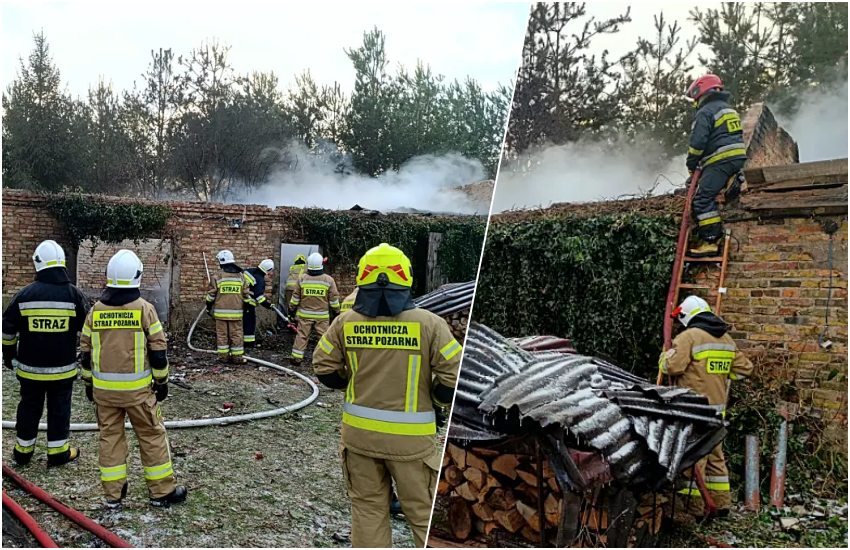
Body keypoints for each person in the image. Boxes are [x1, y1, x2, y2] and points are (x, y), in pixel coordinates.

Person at [312, 243, 461, 547]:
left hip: (359, 439)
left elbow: (323, 367)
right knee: (423, 515)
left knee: (368, 511)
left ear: (362, 279)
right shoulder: (430, 324)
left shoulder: (346, 322)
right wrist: (437, 401)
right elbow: (453, 373)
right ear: (405, 277)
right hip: (412, 443)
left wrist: (353, 381)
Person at [79, 249, 187, 508]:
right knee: (151, 435)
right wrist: (161, 384)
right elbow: (159, 353)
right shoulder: (145, 310)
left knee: (110, 438)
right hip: (139, 393)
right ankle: (161, 491)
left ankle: (113, 495)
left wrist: (88, 384)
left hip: (104, 394)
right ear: (137, 276)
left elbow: (85, 352)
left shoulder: (96, 311)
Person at [660, 295, 753, 517]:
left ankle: (695, 510)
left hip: (695, 412)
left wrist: (664, 356)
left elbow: (671, 367)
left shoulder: (689, 337)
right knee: (716, 459)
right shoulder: (726, 340)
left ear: (687, 316)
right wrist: (720, 375)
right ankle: (721, 505)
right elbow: (744, 369)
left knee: (695, 461)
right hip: (717, 412)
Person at [2, 240, 89, 466]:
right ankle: (58, 453)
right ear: (62, 262)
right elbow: (88, 331)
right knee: (60, 410)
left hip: (30, 371)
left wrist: (8, 355)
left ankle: (22, 452)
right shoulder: (74, 295)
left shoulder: (24, 295)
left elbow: (7, 330)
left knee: (29, 408)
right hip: (62, 372)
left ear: (37, 264)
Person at [685, 74, 747, 257]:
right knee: (712, 185)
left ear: (700, 92)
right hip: (737, 159)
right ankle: (733, 180)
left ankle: (710, 240)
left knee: (702, 199)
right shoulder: (729, 109)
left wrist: (691, 162)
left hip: (719, 161)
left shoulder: (705, 112)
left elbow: (698, 142)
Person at [288, 252, 339, 365]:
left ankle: (296, 358)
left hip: (304, 315)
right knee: (323, 338)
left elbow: (295, 298)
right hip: (322, 316)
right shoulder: (328, 280)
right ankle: (325, 360)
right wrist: (336, 312)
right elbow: (334, 300)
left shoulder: (302, 279)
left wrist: (291, 310)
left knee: (301, 336)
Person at [205, 250, 253, 364]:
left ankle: (223, 357)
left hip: (220, 314)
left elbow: (211, 295)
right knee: (236, 335)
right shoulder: (241, 277)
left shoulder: (217, 276)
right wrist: (247, 307)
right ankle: (237, 358)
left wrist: (208, 306)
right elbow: (246, 295)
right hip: (236, 313)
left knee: (222, 336)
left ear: (221, 262)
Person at [243, 259, 275, 348]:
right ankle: (248, 344)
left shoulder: (249, 271)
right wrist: (269, 305)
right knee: (249, 324)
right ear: (268, 270)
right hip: (248, 305)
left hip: (236, 302)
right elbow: (259, 298)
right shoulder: (260, 279)